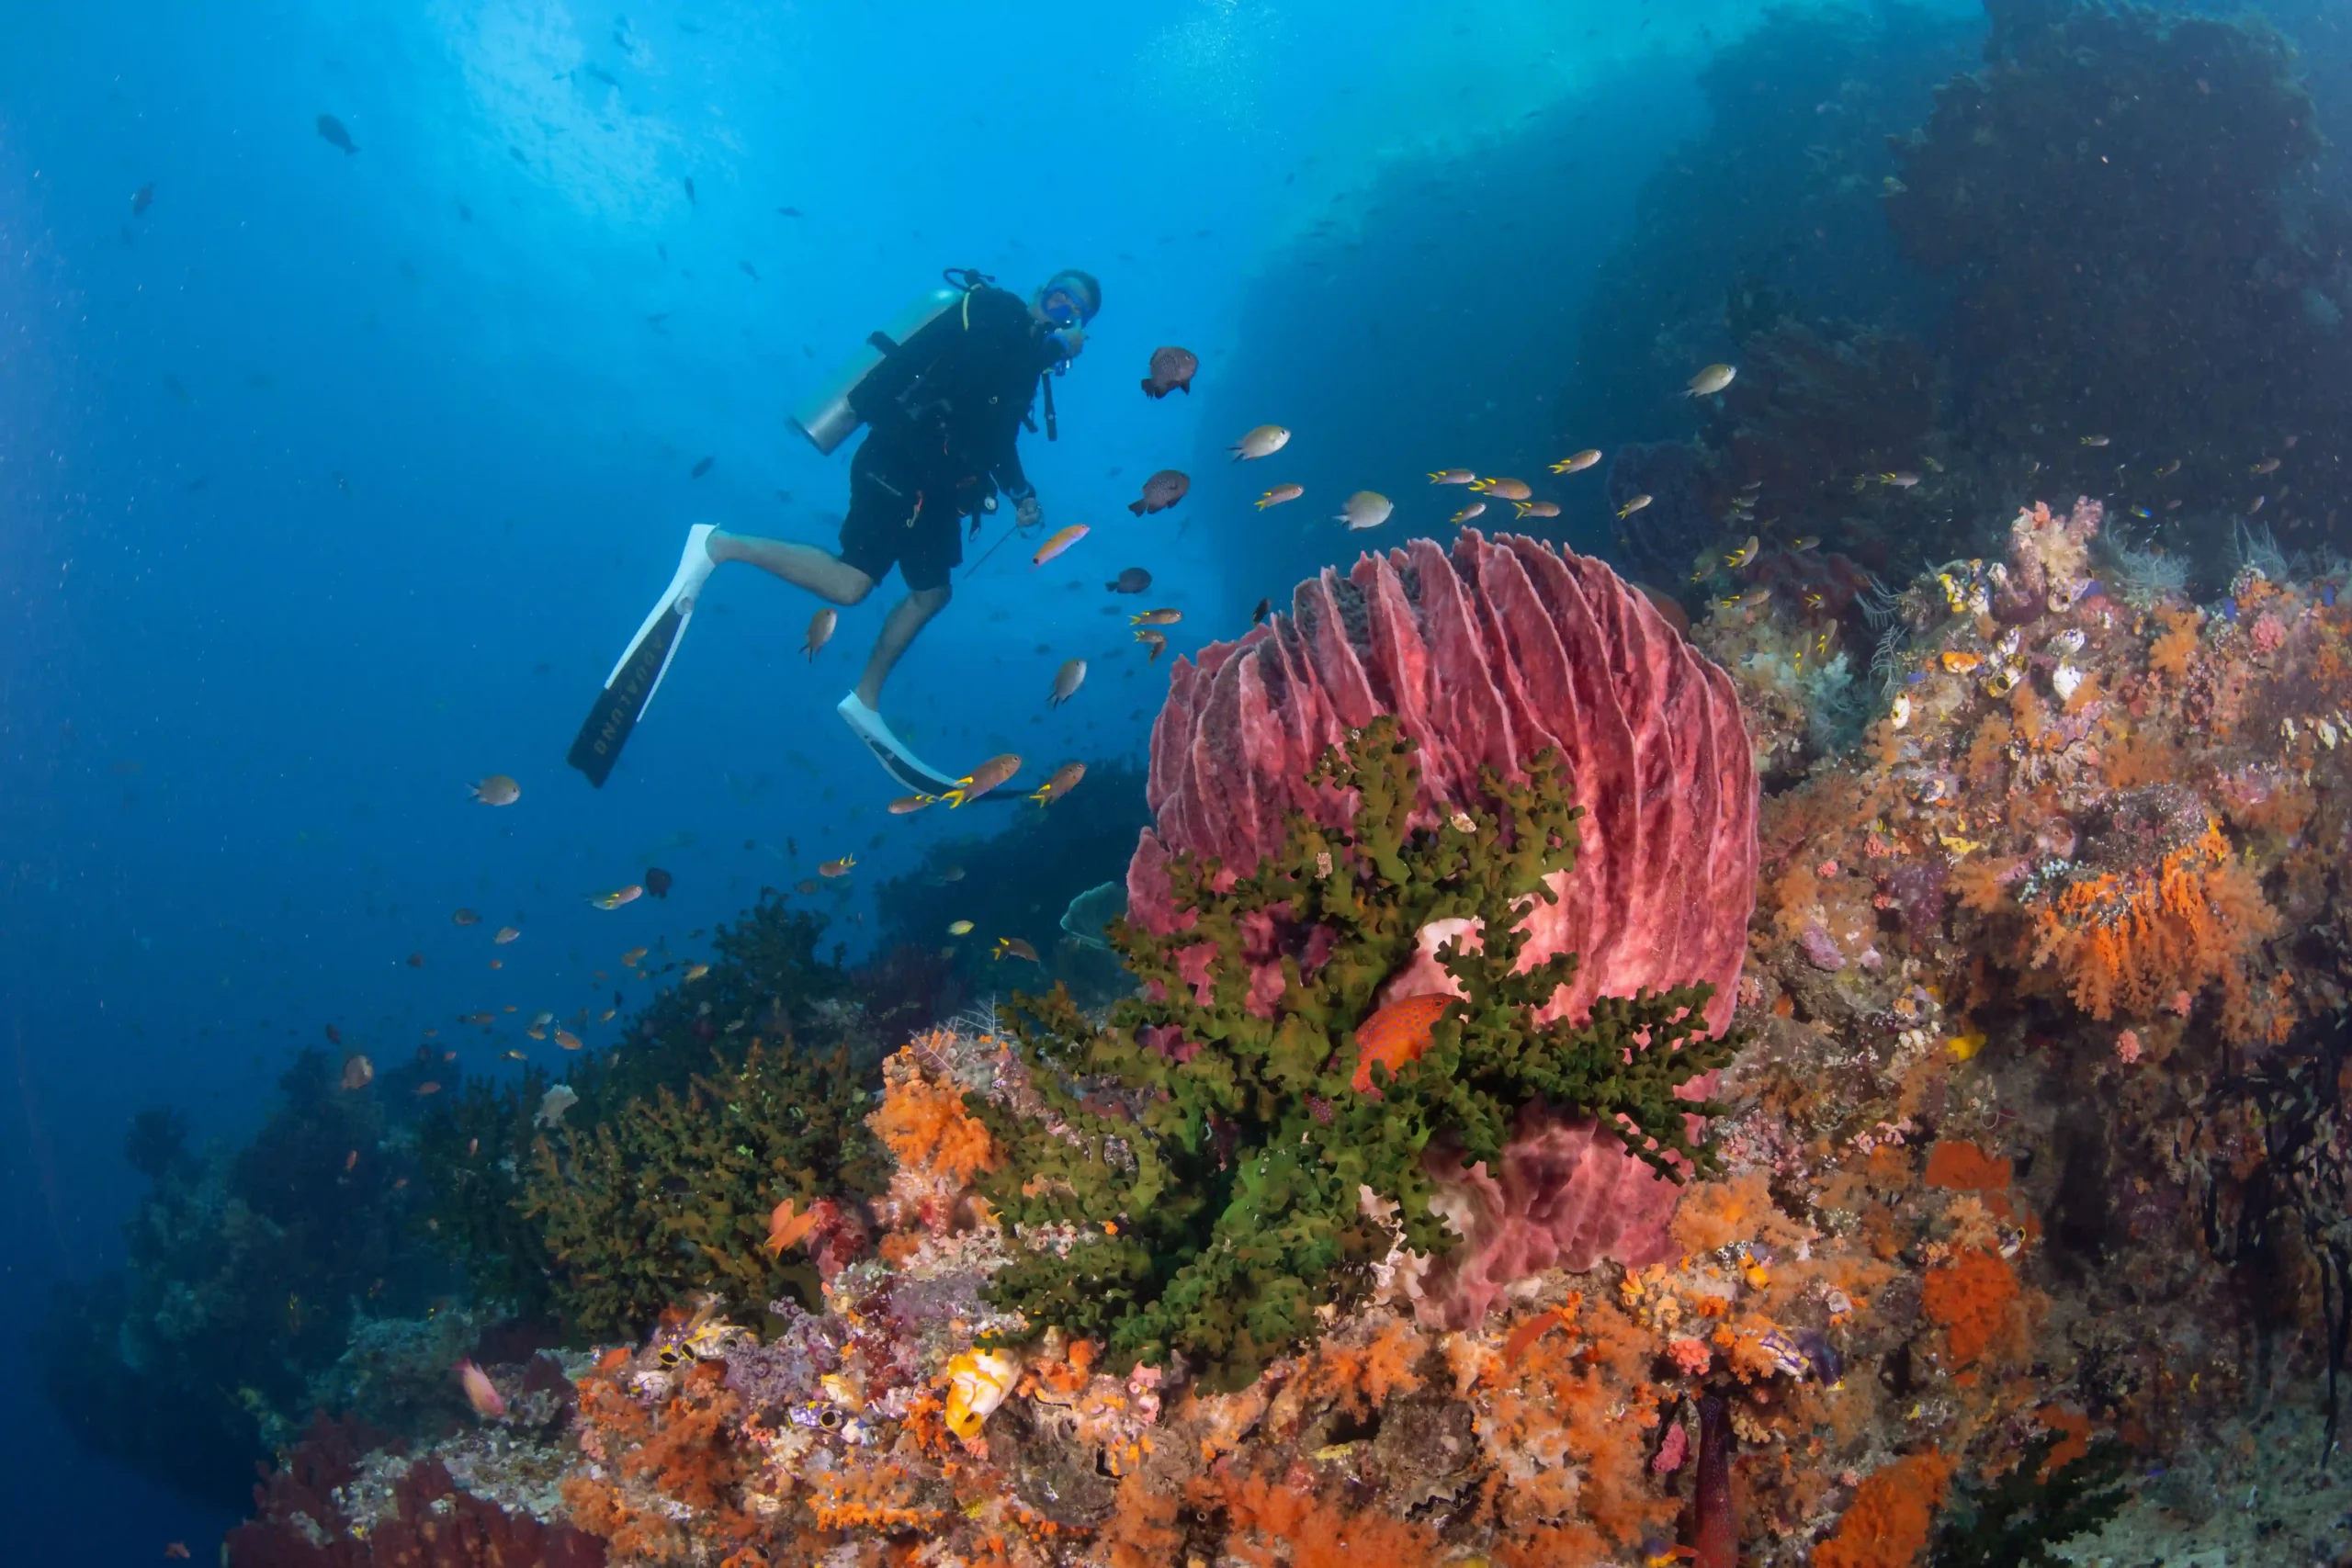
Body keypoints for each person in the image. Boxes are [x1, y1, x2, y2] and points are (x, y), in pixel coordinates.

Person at [568, 269, 1098, 792]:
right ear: (1040, 293)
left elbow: (996, 437)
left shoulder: (1026, 363)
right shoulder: (993, 311)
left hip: (937, 485)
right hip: (897, 461)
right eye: (1060, 299)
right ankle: (718, 545)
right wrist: (1049, 351)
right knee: (850, 585)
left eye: (1076, 312)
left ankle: (865, 700)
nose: (1064, 313)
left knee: (932, 594)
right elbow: (978, 370)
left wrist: (1021, 494)